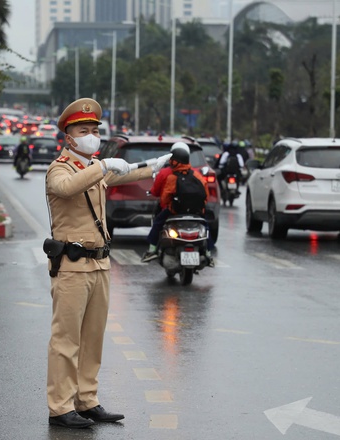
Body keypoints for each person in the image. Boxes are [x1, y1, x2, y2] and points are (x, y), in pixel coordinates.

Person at [45, 98, 171, 429]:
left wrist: (157, 165)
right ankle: (60, 406)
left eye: (94, 130)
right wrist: (102, 167)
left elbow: (125, 174)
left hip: (99, 264)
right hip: (71, 265)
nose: (91, 135)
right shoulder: (60, 169)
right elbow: (68, 187)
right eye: (83, 130)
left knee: (93, 338)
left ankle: (86, 400)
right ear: (69, 137)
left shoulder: (94, 168)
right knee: (66, 340)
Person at [141, 147, 214, 264]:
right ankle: (209, 254)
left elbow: (164, 198)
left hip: (175, 212)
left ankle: (152, 250)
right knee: (205, 226)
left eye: (172, 160)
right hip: (196, 212)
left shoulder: (171, 177)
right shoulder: (197, 175)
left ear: (175, 162)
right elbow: (206, 194)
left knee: (157, 223)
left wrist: (168, 206)